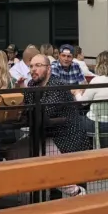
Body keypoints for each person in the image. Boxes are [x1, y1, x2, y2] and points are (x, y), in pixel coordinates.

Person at [24, 54, 87, 196]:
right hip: (47, 135)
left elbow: (45, 112)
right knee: (19, 152)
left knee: (48, 163)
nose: (34, 69)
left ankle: (76, 193)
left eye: (38, 66)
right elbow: (29, 111)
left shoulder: (56, 86)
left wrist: (31, 112)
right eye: (31, 66)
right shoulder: (31, 85)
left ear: (49, 69)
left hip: (68, 137)